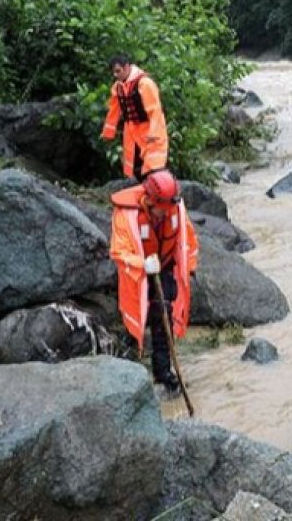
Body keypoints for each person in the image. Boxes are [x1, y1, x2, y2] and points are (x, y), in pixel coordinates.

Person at [108, 168, 198, 392]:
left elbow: (188, 239)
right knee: (134, 317)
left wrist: (190, 266)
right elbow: (119, 251)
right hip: (136, 273)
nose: (165, 214)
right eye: (161, 209)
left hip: (164, 267)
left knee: (163, 317)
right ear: (149, 199)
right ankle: (130, 357)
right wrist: (143, 265)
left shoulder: (175, 208)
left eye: (167, 209)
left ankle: (163, 371)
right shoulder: (126, 214)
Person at [101, 55, 168, 181]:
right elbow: (114, 110)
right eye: (114, 72)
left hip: (149, 129)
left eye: (118, 71)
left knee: (153, 165)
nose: (116, 75)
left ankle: (159, 192)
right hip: (131, 131)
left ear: (126, 67)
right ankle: (141, 194)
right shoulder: (118, 87)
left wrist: (154, 132)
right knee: (135, 165)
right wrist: (108, 132)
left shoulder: (145, 83)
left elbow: (155, 110)